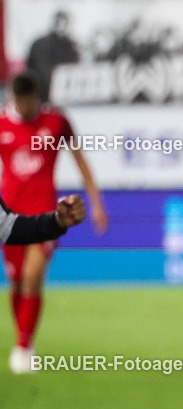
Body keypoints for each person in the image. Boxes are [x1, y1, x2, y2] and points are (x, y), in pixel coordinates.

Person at [0, 70, 107, 374]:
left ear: (35, 98)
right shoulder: (2, 125)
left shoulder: (56, 122)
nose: (24, 108)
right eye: (19, 103)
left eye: (28, 102)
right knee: (17, 282)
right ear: (13, 100)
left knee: (33, 276)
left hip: (47, 216)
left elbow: (80, 159)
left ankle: (22, 346)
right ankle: (25, 339)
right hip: (10, 218)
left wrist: (96, 203)